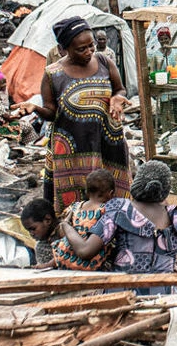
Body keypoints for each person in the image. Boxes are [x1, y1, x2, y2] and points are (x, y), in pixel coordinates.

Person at [31, 16, 131, 211]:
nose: (88, 52)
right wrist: (35, 109)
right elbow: (51, 113)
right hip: (73, 150)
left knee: (114, 200)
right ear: (63, 49)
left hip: (108, 144)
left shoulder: (104, 61)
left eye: (91, 46)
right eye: (81, 49)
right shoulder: (53, 74)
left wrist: (118, 98)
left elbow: (119, 89)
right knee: (75, 202)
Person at [98, 161, 177, 294]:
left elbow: (88, 250)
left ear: (136, 184)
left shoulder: (119, 209)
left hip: (122, 295)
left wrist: (66, 226)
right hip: (166, 297)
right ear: (165, 191)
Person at [46, 168, 118, 271]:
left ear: (87, 193)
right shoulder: (106, 211)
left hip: (66, 257)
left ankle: (50, 264)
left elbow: (62, 227)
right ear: (111, 194)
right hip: (92, 263)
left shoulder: (75, 207)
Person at [18, 196, 58, 267]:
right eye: (28, 230)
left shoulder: (67, 231)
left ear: (47, 220)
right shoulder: (41, 247)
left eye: (33, 229)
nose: (31, 234)